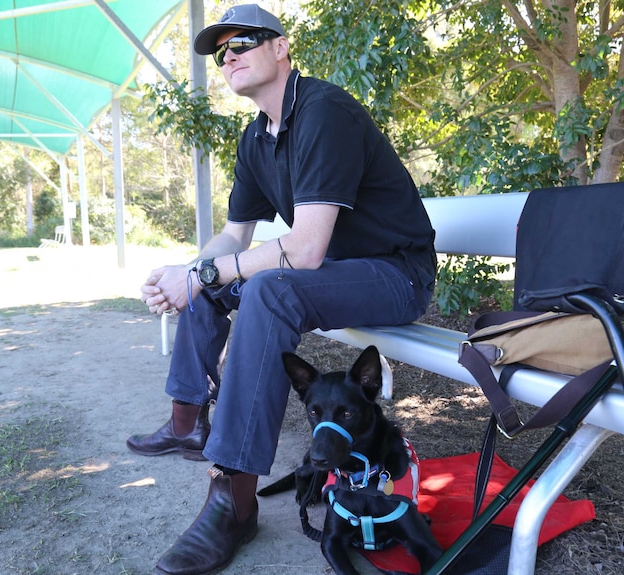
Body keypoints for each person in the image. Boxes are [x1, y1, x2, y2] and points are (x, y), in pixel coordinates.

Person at [131, 5, 438, 575]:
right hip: (338, 276)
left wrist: (201, 277)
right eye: (221, 52)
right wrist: (182, 276)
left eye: (244, 41)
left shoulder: (323, 112)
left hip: (396, 276)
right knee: (217, 283)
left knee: (267, 289)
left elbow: (305, 250)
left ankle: (233, 501)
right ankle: (186, 420)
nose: (230, 57)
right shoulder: (254, 138)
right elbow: (232, 236)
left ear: (281, 47)